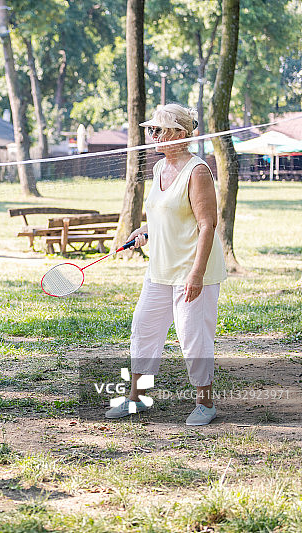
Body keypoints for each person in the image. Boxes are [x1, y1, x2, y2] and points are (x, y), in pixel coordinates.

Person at [105, 103, 227, 426]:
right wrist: (144, 231)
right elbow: (162, 216)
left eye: (158, 130)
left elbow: (207, 225)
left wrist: (197, 273)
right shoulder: (160, 169)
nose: (153, 135)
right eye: (151, 130)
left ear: (179, 134)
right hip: (159, 269)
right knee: (143, 329)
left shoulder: (198, 171)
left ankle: (205, 402)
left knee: (193, 336)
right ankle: (138, 398)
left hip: (191, 270)